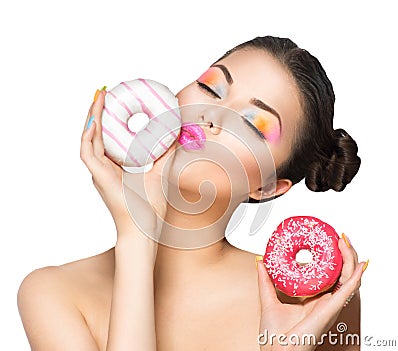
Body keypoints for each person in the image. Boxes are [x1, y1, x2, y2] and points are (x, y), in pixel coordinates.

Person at [17, 36, 366, 351]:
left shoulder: (311, 306)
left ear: (267, 187)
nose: (210, 115)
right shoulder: (53, 292)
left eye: (252, 124)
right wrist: (137, 237)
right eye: (211, 88)